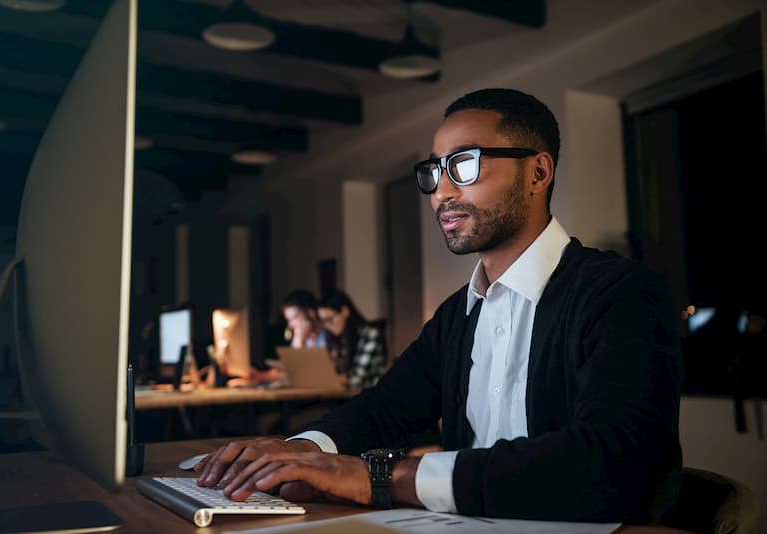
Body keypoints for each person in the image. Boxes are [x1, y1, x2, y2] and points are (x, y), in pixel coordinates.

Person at [195, 88, 684, 524]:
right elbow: (381, 411)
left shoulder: (621, 293)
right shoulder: (457, 316)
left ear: (538, 172)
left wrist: (379, 478)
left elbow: (616, 463)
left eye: (464, 165)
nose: (442, 192)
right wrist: (296, 450)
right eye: (435, 170)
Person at [318, 289, 386, 389]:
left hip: (370, 397)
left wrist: (333, 380)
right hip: (344, 397)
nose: (327, 325)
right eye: (323, 321)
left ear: (345, 312)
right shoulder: (337, 339)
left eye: (330, 319)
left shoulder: (370, 335)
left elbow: (357, 378)